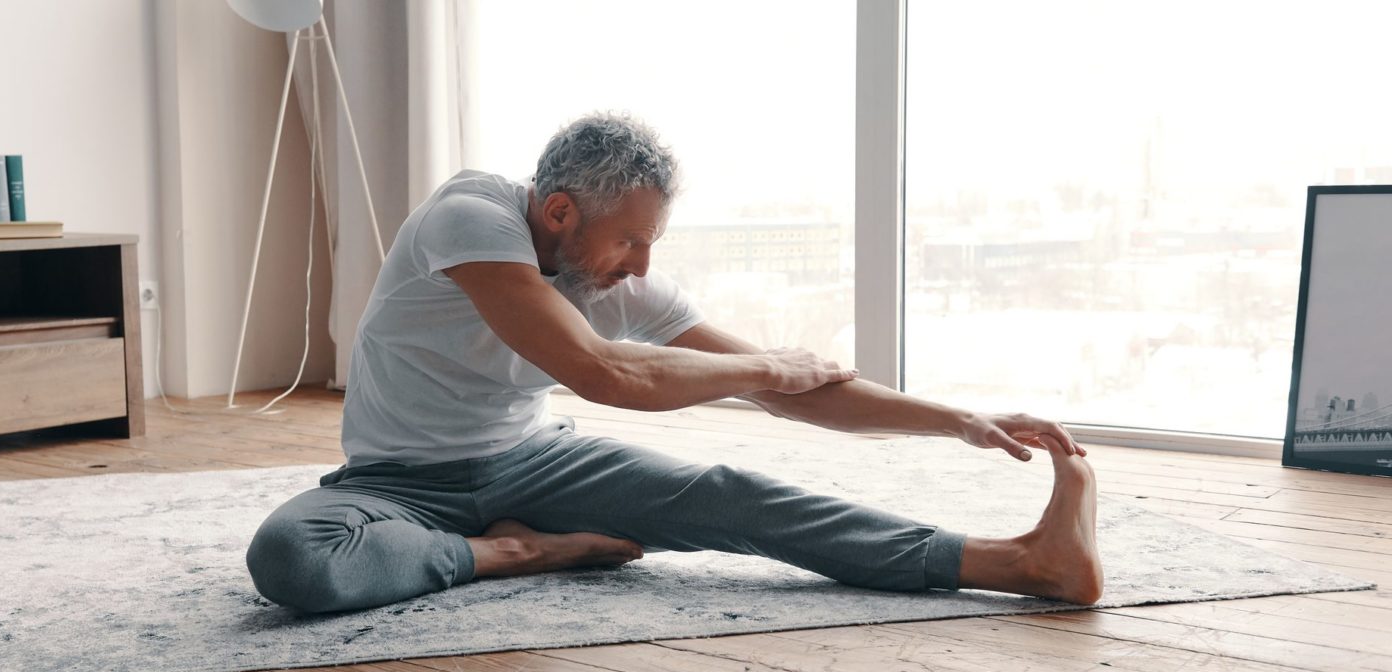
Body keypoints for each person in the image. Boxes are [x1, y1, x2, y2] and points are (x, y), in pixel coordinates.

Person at [245, 111, 1104, 614]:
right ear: (557, 211)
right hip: (397, 481)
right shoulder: (470, 218)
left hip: (534, 464)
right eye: (630, 240)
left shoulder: (615, 281)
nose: (642, 266)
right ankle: (513, 555)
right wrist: (765, 368)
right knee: (292, 557)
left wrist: (956, 418)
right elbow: (606, 375)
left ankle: (1021, 562)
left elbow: (803, 394)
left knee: (733, 495)